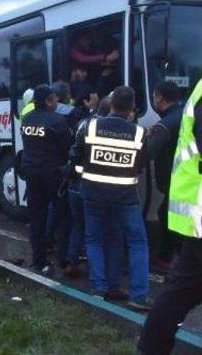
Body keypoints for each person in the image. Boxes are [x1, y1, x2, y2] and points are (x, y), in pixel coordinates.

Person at [69, 86, 150, 310]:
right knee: (134, 242)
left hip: (93, 193)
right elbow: (140, 165)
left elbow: (75, 155)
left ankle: (98, 288)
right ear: (132, 107)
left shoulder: (90, 126)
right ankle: (138, 295)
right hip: (124, 197)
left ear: (112, 104)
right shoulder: (139, 133)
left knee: (94, 239)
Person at [139, 79, 202, 354]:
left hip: (192, 208)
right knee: (180, 290)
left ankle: (150, 348)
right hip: (197, 210)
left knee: (180, 290)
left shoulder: (173, 117)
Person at [20, 84, 73, 274]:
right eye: (55, 99)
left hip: (32, 174)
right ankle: (62, 258)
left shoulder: (26, 119)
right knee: (64, 217)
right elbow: (68, 146)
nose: (57, 102)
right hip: (53, 175)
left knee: (37, 218)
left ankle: (39, 260)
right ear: (49, 101)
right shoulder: (57, 121)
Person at [64, 97, 111, 278]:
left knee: (78, 225)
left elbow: (73, 152)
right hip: (93, 187)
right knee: (96, 231)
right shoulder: (107, 129)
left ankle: (72, 262)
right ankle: (98, 272)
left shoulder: (84, 124)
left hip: (75, 184)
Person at [146, 81, 183, 271]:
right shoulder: (185, 113)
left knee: (169, 217)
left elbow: (148, 153)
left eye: (153, 95)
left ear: (159, 98)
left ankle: (167, 258)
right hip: (186, 178)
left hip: (175, 179)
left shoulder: (165, 125)